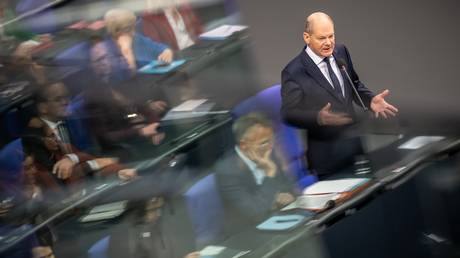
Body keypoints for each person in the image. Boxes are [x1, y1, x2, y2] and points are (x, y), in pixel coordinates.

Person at [281, 12, 398, 178]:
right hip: (327, 158)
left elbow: (354, 84)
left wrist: (370, 99)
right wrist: (317, 117)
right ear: (307, 37)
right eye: (322, 38)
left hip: (354, 147)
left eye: (331, 36)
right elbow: (288, 113)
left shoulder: (340, 51)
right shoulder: (294, 72)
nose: (329, 43)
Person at [21, 82, 135, 195]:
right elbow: (62, 176)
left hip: (89, 186)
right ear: (43, 108)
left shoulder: (69, 121)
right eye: (58, 99)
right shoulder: (33, 138)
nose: (66, 102)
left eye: (66, 97)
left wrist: (117, 171)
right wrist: (98, 162)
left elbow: (91, 153)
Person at [215, 113, 296, 236]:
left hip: (279, 220)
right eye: (264, 142)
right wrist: (269, 174)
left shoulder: (266, 151)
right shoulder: (227, 171)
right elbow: (255, 213)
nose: (270, 147)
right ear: (244, 145)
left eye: (272, 140)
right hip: (248, 234)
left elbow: (289, 186)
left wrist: (287, 195)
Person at [102, 8, 174, 80]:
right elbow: (129, 75)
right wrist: (126, 50)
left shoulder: (137, 38)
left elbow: (157, 46)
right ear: (116, 32)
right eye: (128, 29)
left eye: (133, 27)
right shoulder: (106, 51)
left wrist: (166, 51)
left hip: (154, 80)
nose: (133, 33)